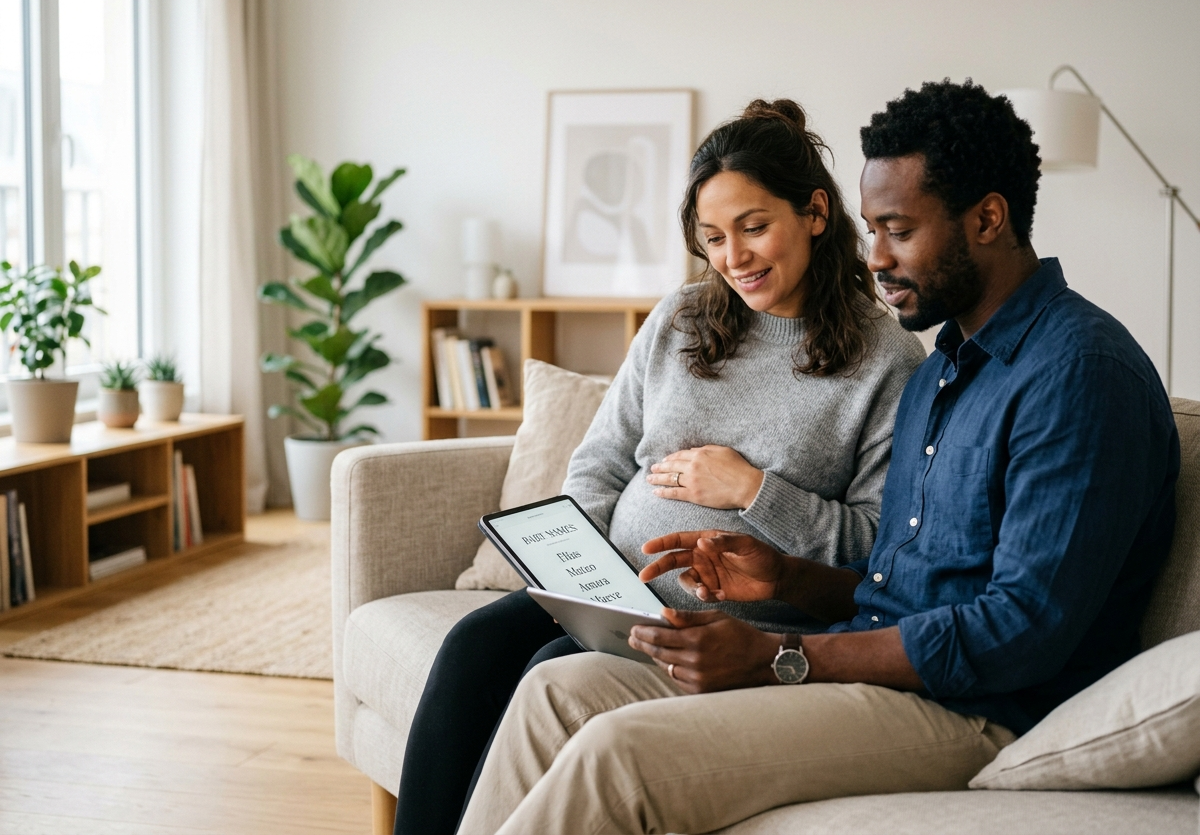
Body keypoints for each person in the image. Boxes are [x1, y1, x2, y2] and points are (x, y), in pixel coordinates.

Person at [456, 80, 1180, 835]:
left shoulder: (1080, 374)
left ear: (988, 218)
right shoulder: (945, 371)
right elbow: (897, 582)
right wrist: (784, 577)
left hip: (972, 712)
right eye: (872, 231)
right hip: (871, 671)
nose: (876, 259)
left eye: (898, 231)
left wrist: (779, 654)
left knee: (617, 750)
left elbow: (1020, 631)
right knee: (554, 694)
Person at [392, 100, 927, 835]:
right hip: (609, 596)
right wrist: (575, 566)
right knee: (473, 646)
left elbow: (871, 546)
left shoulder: (885, 360)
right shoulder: (680, 318)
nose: (733, 257)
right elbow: (600, 462)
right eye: (712, 238)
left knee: (546, 669)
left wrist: (751, 490)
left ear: (814, 213)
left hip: (732, 620)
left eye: (753, 227)